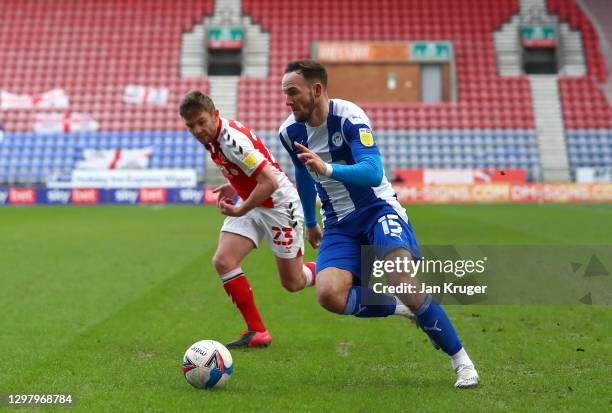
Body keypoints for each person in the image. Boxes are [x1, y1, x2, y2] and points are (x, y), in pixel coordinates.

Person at [278, 60, 479, 388]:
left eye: (292, 92)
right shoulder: (289, 132)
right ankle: (403, 309)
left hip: (377, 210)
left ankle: (461, 360)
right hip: (339, 224)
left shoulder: (349, 117)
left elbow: (372, 172)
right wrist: (311, 221)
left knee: (400, 276)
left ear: (316, 90)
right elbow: (301, 172)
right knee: (329, 295)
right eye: (285, 93)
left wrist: (328, 169)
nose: (287, 100)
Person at [179, 90, 317, 348]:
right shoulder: (214, 137)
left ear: (214, 115)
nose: (197, 130)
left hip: (278, 204)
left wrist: (241, 209)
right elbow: (247, 169)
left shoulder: (231, 140)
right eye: (191, 126)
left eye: (201, 122)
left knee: (294, 282)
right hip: (255, 200)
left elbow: (270, 181)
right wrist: (234, 185)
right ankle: (258, 331)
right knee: (224, 260)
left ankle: (342, 269)